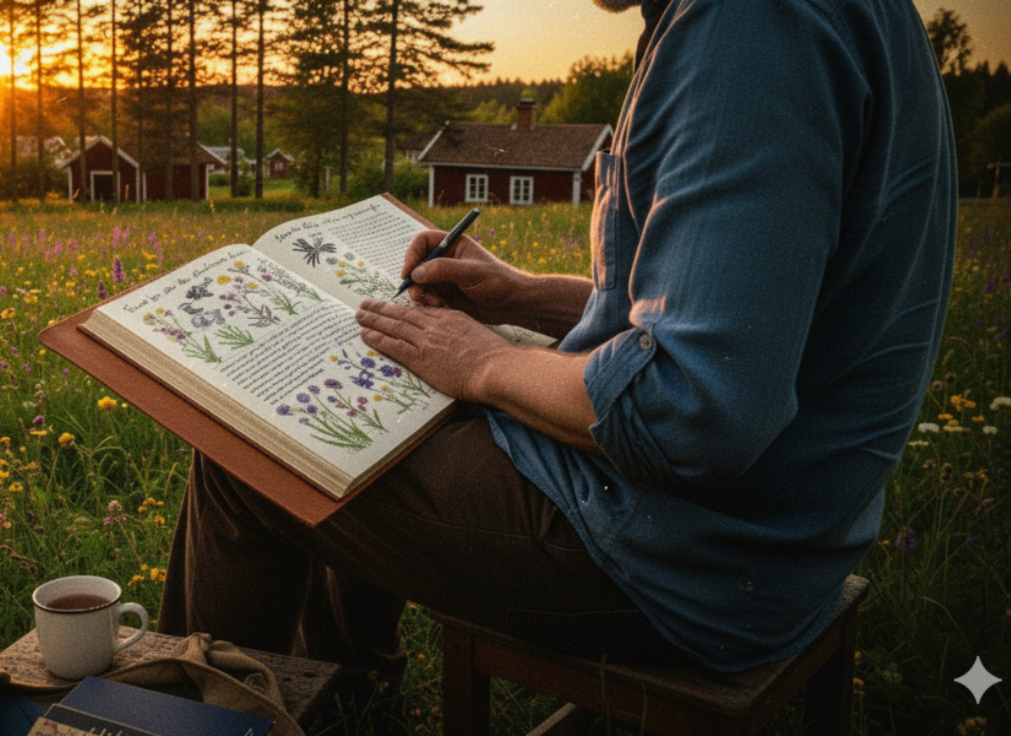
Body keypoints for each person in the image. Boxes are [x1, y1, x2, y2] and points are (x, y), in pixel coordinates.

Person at [156, 0, 957, 707]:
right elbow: (742, 319)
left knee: (247, 458)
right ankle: (348, 701)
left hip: (688, 561)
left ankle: (199, 714)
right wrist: (522, 294)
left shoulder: (745, 27)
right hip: (776, 538)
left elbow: (695, 416)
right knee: (370, 418)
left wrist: (482, 363)